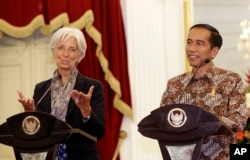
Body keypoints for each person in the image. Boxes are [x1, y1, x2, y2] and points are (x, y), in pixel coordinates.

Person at [160, 24, 247, 160]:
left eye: (199, 43)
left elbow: (239, 120)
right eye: (189, 42)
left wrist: (205, 124)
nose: (192, 48)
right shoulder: (175, 84)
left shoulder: (230, 80)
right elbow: (163, 121)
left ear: (213, 52)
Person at [17, 27, 105, 160]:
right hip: (47, 156)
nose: (65, 54)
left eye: (72, 49)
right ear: (53, 52)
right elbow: (35, 131)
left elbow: (99, 132)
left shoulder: (92, 87)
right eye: (61, 48)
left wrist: (86, 111)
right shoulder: (41, 89)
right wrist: (31, 113)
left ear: (80, 55)